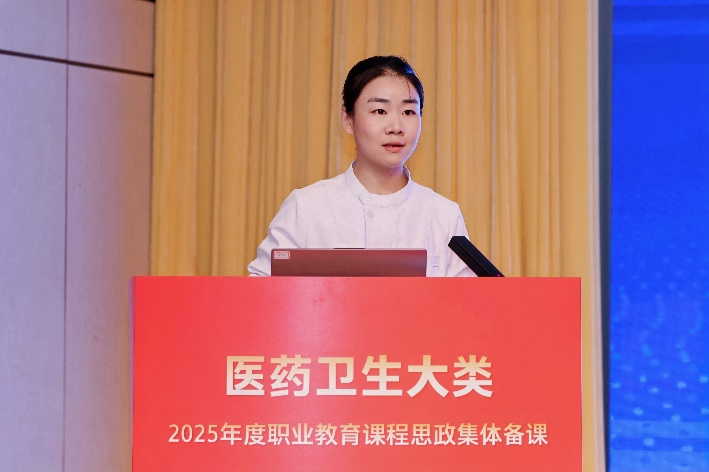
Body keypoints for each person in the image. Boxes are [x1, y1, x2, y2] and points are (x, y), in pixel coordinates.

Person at [248, 55, 475, 277]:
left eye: (408, 112)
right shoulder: (307, 207)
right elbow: (260, 291)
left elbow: (468, 299)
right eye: (380, 111)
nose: (396, 127)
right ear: (348, 119)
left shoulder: (443, 215)